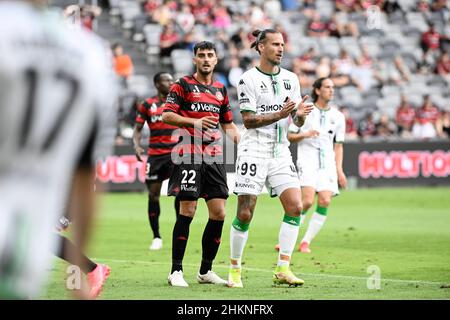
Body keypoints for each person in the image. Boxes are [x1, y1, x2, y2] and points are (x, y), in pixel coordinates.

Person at [0, 0, 116, 299]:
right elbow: (86, 166)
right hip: (28, 236)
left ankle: (91, 268)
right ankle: (90, 268)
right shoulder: (88, 53)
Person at [227, 29, 314, 288]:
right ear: (260, 47)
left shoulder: (291, 78)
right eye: (275, 44)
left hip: (280, 150)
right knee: (245, 212)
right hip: (253, 149)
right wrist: (281, 113)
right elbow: (249, 121)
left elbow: (295, 119)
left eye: (282, 44)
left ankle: (283, 268)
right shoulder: (247, 79)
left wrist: (299, 115)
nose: (281, 48)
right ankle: (234, 270)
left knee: (295, 207)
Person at [162, 41, 240, 287]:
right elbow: (167, 114)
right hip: (188, 154)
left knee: (219, 213)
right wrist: (193, 123)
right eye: (201, 55)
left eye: (210, 55)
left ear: (216, 60)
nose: (206, 59)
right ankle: (176, 271)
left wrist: (243, 143)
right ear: (195, 59)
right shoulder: (182, 84)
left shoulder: (220, 89)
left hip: (214, 157)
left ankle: (205, 271)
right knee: (188, 211)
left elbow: (227, 123)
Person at [281, 78, 347, 254]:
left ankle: (305, 242)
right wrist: (306, 134)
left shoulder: (339, 117)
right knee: (308, 201)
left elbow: (338, 146)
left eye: (332, 87)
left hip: (328, 165)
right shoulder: (306, 110)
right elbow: (289, 136)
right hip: (307, 160)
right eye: (327, 87)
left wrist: (340, 170)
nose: (331, 90)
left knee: (325, 200)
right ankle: (288, 238)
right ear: (317, 90)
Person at [133, 72, 180, 251]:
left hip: (176, 154)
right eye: (165, 80)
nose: (170, 82)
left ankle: (178, 229)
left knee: (180, 193)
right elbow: (137, 129)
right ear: (157, 84)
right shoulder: (147, 104)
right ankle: (156, 236)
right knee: (153, 195)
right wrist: (137, 146)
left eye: (170, 79)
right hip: (155, 156)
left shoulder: (177, 103)